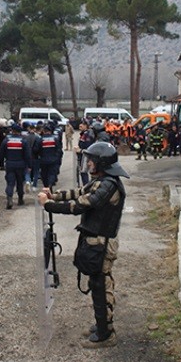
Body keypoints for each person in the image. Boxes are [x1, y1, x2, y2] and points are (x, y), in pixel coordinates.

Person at [37, 141, 128, 349]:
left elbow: (81, 205)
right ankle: (102, 324)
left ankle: (106, 334)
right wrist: (54, 195)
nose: (88, 165)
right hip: (96, 242)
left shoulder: (108, 185)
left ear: (101, 163)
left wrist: (49, 205)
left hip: (102, 244)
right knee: (97, 283)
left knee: (100, 285)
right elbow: (78, 192)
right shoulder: (102, 181)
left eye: (92, 161)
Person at [0, 123, 31, 209]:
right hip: (21, 165)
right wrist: (29, 166)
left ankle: (9, 198)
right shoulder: (23, 141)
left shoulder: (6, 140)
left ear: (12, 131)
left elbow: (1, 153)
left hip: (9, 164)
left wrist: (1, 165)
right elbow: (27, 155)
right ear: (19, 132)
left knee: (10, 183)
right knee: (20, 183)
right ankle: (20, 199)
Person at [38, 121, 63, 189]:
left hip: (43, 160)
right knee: (52, 174)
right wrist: (57, 157)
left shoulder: (41, 139)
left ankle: (46, 186)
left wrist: (39, 157)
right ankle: (50, 185)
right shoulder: (55, 139)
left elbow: (36, 150)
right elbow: (59, 149)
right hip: (53, 160)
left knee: (44, 175)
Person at [75, 119, 93, 185]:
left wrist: (80, 150)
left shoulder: (88, 134)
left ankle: (86, 188)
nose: (80, 125)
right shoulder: (83, 134)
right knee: (81, 173)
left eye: (82, 124)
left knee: (84, 173)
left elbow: (89, 148)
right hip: (81, 156)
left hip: (85, 157)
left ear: (86, 126)